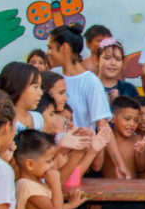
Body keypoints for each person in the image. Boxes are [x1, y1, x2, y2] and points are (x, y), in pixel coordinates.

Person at [46, 24, 130, 179]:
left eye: (50, 47)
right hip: (52, 159)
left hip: (79, 161)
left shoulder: (89, 81)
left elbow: (103, 127)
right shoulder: (52, 76)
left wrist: (120, 165)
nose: (47, 52)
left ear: (64, 48)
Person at [0, 62, 46, 134]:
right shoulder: (3, 123)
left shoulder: (38, 118)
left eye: (40, 87)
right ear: (17, 87)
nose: (41, 93)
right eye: (35, 87)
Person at [97, 38, 138, 102]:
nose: (113, 63)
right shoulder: (88, 87)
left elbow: (137, 111)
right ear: (97, 60)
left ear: (123, 62)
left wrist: (119, 103)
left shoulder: (129, 89)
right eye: (107, 58)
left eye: (118, 59)